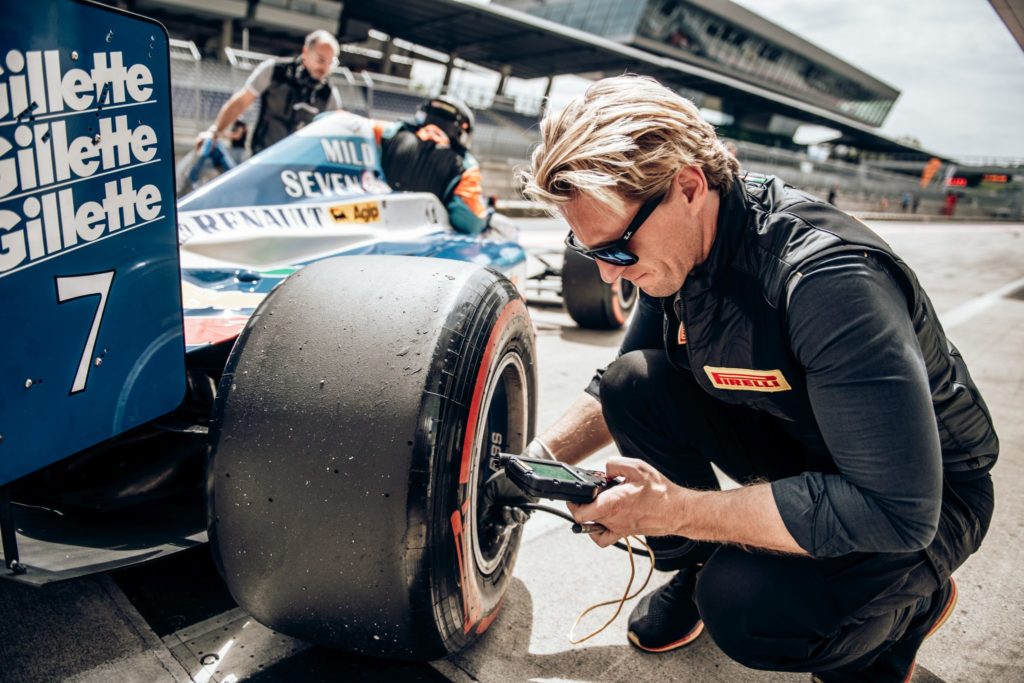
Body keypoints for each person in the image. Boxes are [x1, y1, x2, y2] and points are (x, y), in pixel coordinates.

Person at [516, 75, 997, 681]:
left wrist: (678, 511)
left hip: (920, 496)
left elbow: (895, 508)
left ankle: (901, 617)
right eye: (593, 255)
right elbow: (622, 387)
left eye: (616, 252)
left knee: (747, 609)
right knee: (631, 383)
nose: (612, 278)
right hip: (803, 443)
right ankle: (694, 567)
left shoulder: (830, 282)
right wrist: (529, 467)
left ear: (688, 185)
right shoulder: (679, 247)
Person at [196, 29, 343, 155]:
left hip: (299, 169)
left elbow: (334, 133)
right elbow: (241, 102)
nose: (324, 67)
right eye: (321, 60)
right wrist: (214, 132)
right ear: (305, 52)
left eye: (330, 63)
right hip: (263, 158)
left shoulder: (329, 95)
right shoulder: (274, 71)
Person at [372, 95, 488, 235]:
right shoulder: (466, 166)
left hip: (371, 224)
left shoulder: (388, 133)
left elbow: (348, 123)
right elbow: (471, 222)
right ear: (460, 130)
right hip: (420, 242)